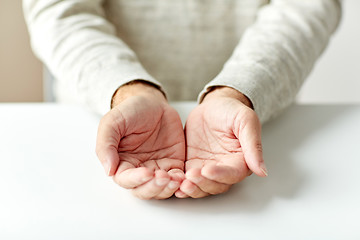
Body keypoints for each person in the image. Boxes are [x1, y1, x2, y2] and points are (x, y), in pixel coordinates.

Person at [23, 0, 342, 199]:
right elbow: (59, 11)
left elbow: (308, 5)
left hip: (263, 121)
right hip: (96, 118)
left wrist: (239, 90)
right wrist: (127, 90)